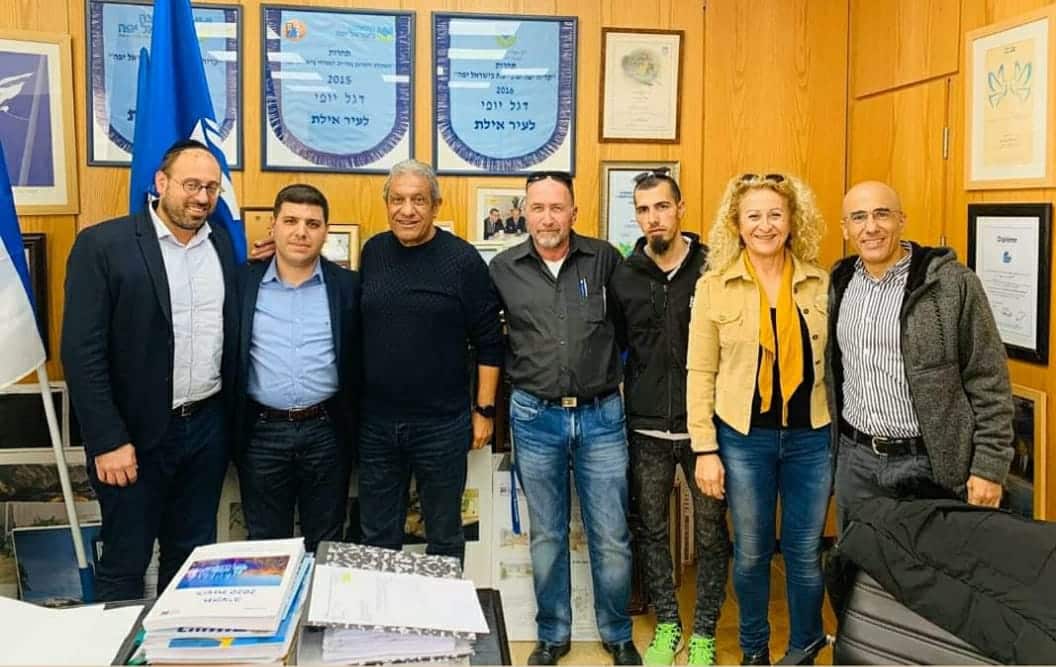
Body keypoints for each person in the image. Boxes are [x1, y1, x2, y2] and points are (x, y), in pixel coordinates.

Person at [61, 139, 238, 600]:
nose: (202, 197)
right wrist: (107, 440)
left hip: (205, 430)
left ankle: (176, 639)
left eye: (212, 188)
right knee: (125, 561)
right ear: (161, 182)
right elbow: (81, 352)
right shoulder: (103, 245)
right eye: (191, 185)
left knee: (192, 560)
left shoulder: (221, 244)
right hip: (132, 437)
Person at [490, 171, 641, 666]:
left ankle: (617, 633)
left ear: (574, 212)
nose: (548, 218)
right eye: (538, 208)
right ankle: (553, 635)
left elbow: (628, 330)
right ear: (524, 213)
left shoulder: (605, 260)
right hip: (535, 417)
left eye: (558, 207)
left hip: (601, 416)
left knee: (611, 535)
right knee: (547, 535)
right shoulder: (503, 268)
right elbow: (491, 340)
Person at [687, 173, 831, 665]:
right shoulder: (714, 287)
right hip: (743, 439)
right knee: (750, 552)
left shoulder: (822, 283)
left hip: (811, 437)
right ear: (737, 223)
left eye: (775, 214)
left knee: (805, 553)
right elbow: (700, 372)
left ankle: (804, 649)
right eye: (753, 216)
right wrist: (705, 449)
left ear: (792, 221)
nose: (765, 225)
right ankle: (754, 651)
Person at [829, 181, 1014, 522]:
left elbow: (989, 378)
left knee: (932, 557)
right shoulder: (839, 283)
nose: (871, 227)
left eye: (882, 214)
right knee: (857, 555)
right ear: (845, 228)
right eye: (858, 217)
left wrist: (989, 467)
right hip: (856, 462)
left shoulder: (952, 284)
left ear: (901, 220)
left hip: (927, 464)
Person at [608, 169, 729, 666]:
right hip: (646, 428)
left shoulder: (714, 267)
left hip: (707, 431)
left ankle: (703, 633)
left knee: (711, 534)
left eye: (661, 206)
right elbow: (619, 345)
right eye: (643, 209)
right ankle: (668, 625)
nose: (653, 218)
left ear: (680, 209)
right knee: (651, 530)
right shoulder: (624, 275)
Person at [358, 159, 503, 564]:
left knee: (444, 536)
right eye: (398, 200)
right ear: (387, 203)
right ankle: (380, 608)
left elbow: (490, 341)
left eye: (418, 200)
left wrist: (484, 411)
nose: (407, 210)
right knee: (377, 536)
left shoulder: (462, 260)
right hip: (377, 426)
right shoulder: (374, 251)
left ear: (436, 206)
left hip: (441, 425)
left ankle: (442, 608)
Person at [232, 184, 360, 552]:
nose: (301, 232)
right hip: (261, 433)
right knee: (265, 549)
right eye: (290, 221)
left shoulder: (348, 286)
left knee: (326, 544)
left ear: (325, 231)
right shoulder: (241, 282)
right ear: (272, 226)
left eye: (312, 224)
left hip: (327, 432)